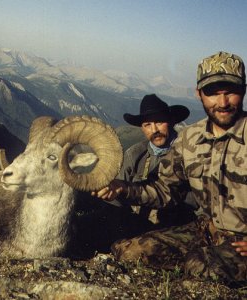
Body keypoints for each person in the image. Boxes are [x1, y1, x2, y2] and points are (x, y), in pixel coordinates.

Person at [93, 51, 247, 285]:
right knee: (128, 251)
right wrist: (123, 188)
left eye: (231, 92)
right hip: (205, 231)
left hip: (242, 242)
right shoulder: (190, 140)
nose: (222, 102)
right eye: (212, 93)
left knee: (200, 267)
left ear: (244, 90)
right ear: (199, 94)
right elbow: (165, 190)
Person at [115, 94, 196, 226]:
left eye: (159, 122)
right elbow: (117, 197)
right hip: (138, 224)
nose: (154, 130)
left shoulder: (190, 152)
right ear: (142, 128)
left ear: (171, 121)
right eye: (147, 124)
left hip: (181, 226)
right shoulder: (134, 155)